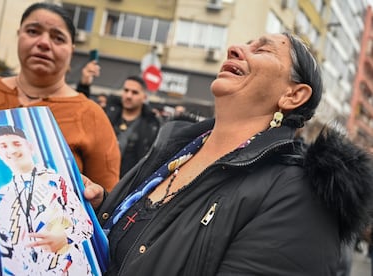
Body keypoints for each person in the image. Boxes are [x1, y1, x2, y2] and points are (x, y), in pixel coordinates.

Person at [82, 32, 373, 275]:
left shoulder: (298, 198)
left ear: (293, 95)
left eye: (262, 50)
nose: (234, 48)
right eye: (243, 44)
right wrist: (104, 210)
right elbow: (151, 240)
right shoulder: (176, 145)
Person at [0, 2, 120, 191]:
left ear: (72, 50)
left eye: (58, 38)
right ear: (19, 35)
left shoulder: (92, 116)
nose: (43, 43)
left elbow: (109, 201)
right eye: (33, 31)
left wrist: (96, 198)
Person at [0, 125, 93, 275]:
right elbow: (8, 256)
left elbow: (86, 225)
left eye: (17, 144)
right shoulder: (1, 198)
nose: (11, 151)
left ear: (30, 147)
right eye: (4, 146)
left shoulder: (55, 181)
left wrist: (65, 237)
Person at [106, 75, 161, 177]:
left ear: (144, 97)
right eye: (126, 90)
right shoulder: (108, 115)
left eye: (134, 92)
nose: (129, 96)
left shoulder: (152, 126)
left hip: (128, 183)